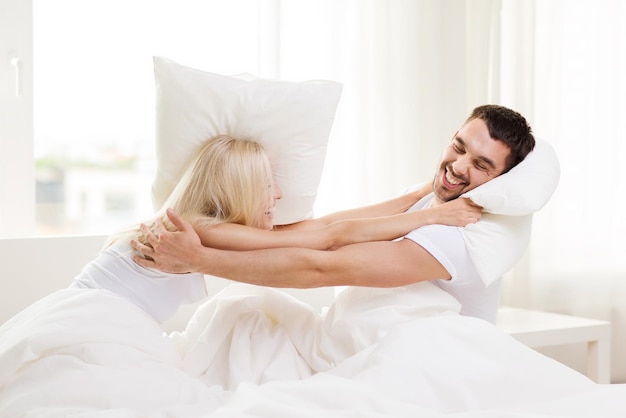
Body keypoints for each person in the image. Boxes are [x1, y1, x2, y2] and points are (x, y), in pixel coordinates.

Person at [132, 105, 536, 323]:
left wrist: (200, 260)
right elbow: (329, 228)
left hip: (430, 359)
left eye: (482, 166)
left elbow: (321, 267)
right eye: (459, 146)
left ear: (501, 181)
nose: (459, 166)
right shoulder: (424, 201)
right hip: (361, 339)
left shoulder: (457, 234)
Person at [72, 134, 481, 323]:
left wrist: (419, 195)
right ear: (238, 190)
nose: (279, 193)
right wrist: (432, 216)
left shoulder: (205, 227)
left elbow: (326, 223)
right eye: (267, 184)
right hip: (91, 321)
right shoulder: (201, 231)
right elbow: (329, 238)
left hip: (96, 315)